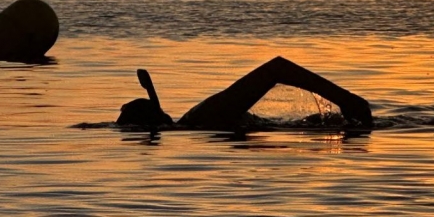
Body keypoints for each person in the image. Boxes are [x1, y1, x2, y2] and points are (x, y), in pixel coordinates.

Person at [117, 56, 372, 131]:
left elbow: (277, 68)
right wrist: (346, 99)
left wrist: (346, 100)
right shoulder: (204, 118)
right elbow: (277, 68)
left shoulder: (204, 117)